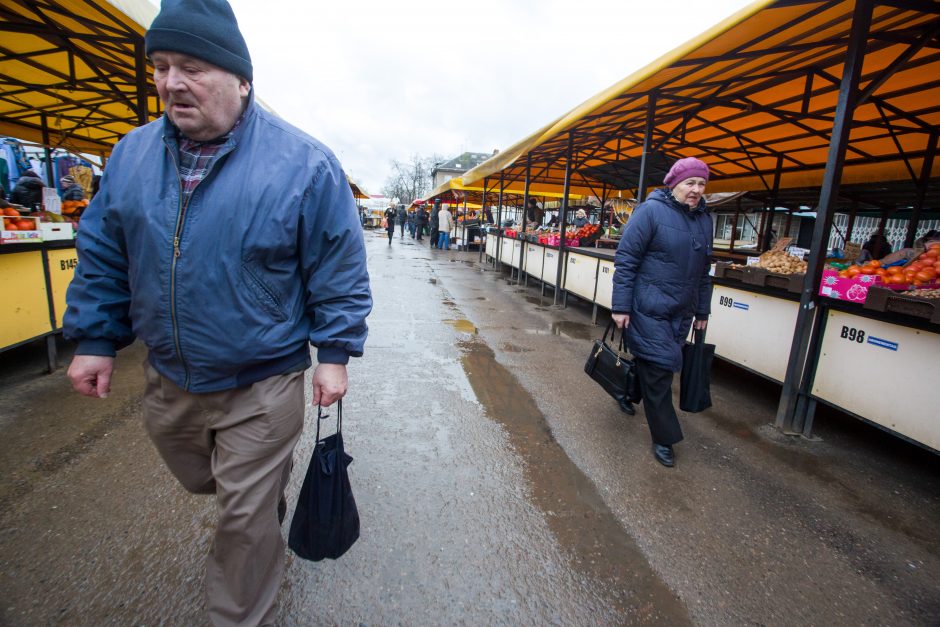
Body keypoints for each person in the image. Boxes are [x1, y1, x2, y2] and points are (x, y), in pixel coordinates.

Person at [62, 1, 373, 624]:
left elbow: (337, 267)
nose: (172, 83)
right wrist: (95, 335)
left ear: (241, 79)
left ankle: (237, 609)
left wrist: (333, 356)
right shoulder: (130, 156)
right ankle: (256, 499)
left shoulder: (305, 165)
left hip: (263, 379)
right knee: (203, 481)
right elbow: (102, 248)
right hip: (169, 377)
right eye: (162, 66)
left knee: (242, 519)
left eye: (193, 67)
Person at [611, 156, 712, 469]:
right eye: (690, 183)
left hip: (681, 312)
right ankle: (665, 438)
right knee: (661, 371)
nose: (696, 189)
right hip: (648, 307)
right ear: (674, 183)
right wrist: (621, 305)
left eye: (701, 183)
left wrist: (702, 310)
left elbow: (705, 270)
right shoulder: (650, 211)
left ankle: (626, 393)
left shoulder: (705, 219)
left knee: (652, 363)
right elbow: (626, 259)